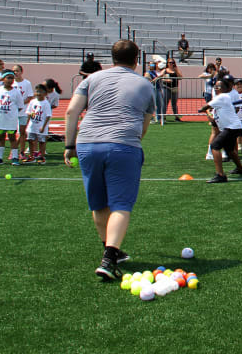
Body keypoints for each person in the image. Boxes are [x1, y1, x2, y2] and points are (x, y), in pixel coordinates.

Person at [63, 40, 154, 279]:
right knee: (121, 204)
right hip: (123, 144)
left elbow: (71, 111)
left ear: (112, 58)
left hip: (87, 143)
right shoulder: (145, 84)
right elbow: (144, 125)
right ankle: (109, 258)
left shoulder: (91, 79)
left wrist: (69, 145)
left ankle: (109, 248)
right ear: (136, 60)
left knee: (98, 202)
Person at [199, 80, 242, 183]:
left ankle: (220, 175)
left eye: (219, 87)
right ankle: (241, 169)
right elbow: (213, 118)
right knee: (229, 150)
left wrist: (202, 109)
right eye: (215, 87)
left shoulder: (222, 97)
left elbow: (205, 106)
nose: (216, 89)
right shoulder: (221, 99)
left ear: (225, 88)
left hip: (232, 127)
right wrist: (208, 113)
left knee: (215, 146)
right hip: (232, 127)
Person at [0, 71, 24, 165]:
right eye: (8, 77)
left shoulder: (16, 92)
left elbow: (20, 106)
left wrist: (12, 112)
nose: (10, 80)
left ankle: (15, 158)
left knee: (12, 138)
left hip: (11, 119)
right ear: (3, 79)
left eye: (12, 78)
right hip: (0, 118)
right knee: (1, 137)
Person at [26, 84, 53, 164]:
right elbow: (28, 112)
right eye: (37, 91)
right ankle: (32, 156)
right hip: (32, 126)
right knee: (30, 140)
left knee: (42, 142)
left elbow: (48, 116)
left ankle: (42, 157)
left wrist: (43, 127)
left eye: (41, 92)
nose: (38, 93)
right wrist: (27, 123)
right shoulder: (33, 102)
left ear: (45, 93)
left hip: (41, 126)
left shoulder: (46, 103)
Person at [13, 65, 33, 160]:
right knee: (13, 132)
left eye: (17, 71)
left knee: (22, 132)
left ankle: (21, 151)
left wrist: (20, 104)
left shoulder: (27, 83)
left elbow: (29, 97)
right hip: (13, 112)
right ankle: (13, 151)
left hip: (23, 111)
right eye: (14, 71)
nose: (15, 73)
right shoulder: (11, 83)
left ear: (21, 72)